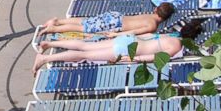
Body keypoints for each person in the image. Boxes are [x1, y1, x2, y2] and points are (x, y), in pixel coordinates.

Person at [32, 18, 205, 74]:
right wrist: (134, 59)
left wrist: (118, 34)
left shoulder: (169, 35)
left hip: (128, 40)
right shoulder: (176, 46)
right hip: (128, 50)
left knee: (86, 46)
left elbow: (145, 35)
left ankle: (50, 43)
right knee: (86, 55)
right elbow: (154, 57)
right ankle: (46, 58)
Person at [38, 3, 176, 36]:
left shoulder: (149, 15)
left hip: (116, 16)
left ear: (156, 10)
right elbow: (132, 32)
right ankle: (54, 28)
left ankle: (58, 21)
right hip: (115, 23)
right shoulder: (152, 25)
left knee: (87, 21)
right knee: (84, 28)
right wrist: (115, 34)